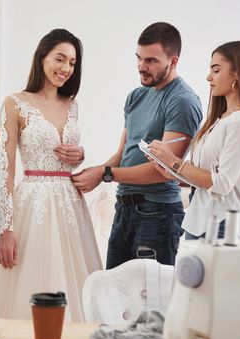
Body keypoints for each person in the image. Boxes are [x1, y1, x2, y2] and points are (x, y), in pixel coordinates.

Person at [0, 28, 102, 322]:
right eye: (60, 59)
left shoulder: (72, 105)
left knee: (74, 288)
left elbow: (68, 153)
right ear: (42, 57)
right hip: (32, 204)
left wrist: (80, 154)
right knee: (29, 282)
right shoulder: (14, 103)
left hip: (71, 204)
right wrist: (6, 227)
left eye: (72, 62)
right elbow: (6, 168)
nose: (66, 68)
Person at [72, 22, 203, 269]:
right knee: (115, 295)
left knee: (151, 301)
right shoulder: (136, 96)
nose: (142, 67)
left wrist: (105, 174)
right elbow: (123, 153)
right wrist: (92, 173)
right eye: (139, 58)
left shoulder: (182, 101)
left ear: (173, 61)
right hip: (124, 208)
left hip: (158, 214)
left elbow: (163, 170)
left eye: (151, 60)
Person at [147, 41, 240, 239]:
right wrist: (172, 172)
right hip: (201, 222)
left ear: (238, 73)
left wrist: (175, 162)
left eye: (216, 70)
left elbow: (222, 184)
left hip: (223, 226)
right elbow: (206, 177)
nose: (209, 77)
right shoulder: (221, 119)